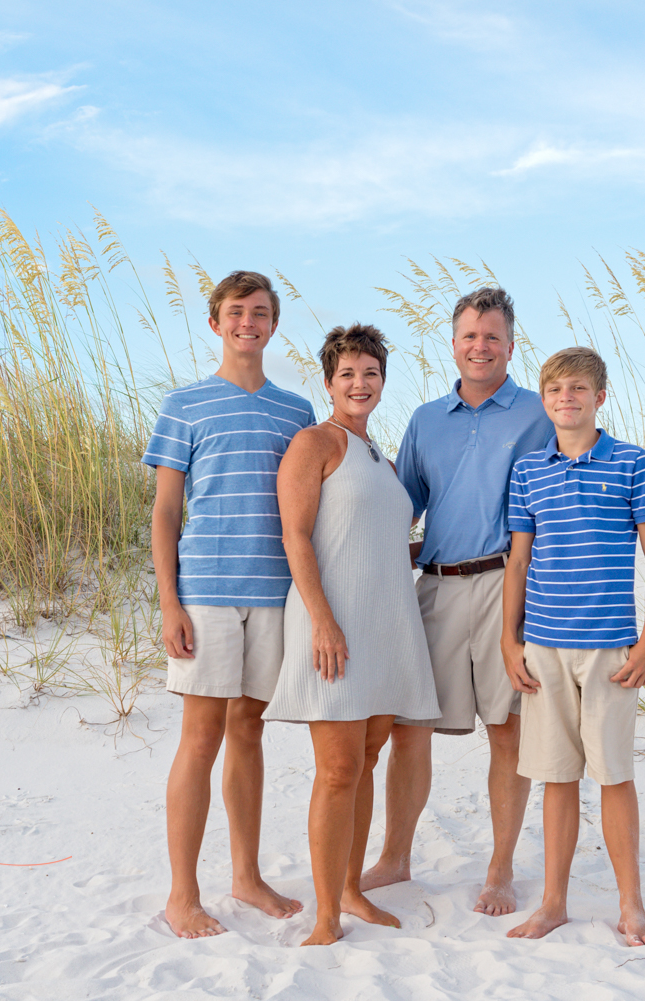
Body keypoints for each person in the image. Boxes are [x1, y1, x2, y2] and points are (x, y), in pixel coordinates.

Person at [361, 287, 554, 916]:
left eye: (492, 335)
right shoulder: (423, 420)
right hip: (438, 587)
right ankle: (395, 857)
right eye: (469, 335)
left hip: (509, 587)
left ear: (511, 344)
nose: (481, 346)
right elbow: (401, 508)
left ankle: (500, 869)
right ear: (453, 344)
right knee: (409, 727)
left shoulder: (538, 412)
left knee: (506, 730)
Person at [144, 270, 314, 939]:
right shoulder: (184, 405)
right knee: (201, 737)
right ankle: (182, 893)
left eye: (261, 312)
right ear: (215, 322)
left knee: (250, 730)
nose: (249, 322)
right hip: (206, 594)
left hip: (273, 596)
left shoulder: (296, 411)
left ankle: (246, 874)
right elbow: (164, 512)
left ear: (274, 324)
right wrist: (169, 602)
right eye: (237, 311)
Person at [264, 323, 440, 945]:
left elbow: (378, 537)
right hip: (332, 626)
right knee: (337, 769)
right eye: (347, 374)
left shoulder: (381, 458)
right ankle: (325, 916)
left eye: (370, 374)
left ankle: (350, 889)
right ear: (329, 382)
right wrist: (322, 621)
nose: (359, 383)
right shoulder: (316, 442)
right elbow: (296, 535)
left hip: (386, 624)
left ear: (383, 381)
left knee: (365, 762)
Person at [501, 346, 645, 948]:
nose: (565, 400)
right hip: (544, 645)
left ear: (601, 397)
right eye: (554, 390)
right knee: (555, 777)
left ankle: (631, 904)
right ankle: (553, 903)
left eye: (577, 389)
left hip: (609, 649)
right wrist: (509, 638)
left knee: (614, 774)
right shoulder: (528, 471)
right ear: (542, 399)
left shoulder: (630, 463)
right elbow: (519, 559)